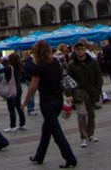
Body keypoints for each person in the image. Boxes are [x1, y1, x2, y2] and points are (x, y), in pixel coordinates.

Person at [20, 40, 77, 168]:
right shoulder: (55, 62)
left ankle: (70, 158)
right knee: (46, 129)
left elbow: (33, 87)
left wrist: (25, 102)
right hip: (58, 100)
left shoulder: (39, 67)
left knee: (56, 132)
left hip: (47, 103)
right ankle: (39, 156)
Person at [66, 41, 102, 148]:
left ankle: (90, 134)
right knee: (81, 115)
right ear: (75, 51)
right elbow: (68, 80)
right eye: (77, 49)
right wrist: (69, 94)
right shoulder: (71, 64)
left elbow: (98, 75)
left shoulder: (92, 62)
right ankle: (83, 137)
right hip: (78, 92)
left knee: (91, 114)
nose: (80, 51)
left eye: (81, 49)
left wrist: (98, 88)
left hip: (91, 91)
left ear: (85, 49)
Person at [0, 52, 26, 133]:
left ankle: (13, 126)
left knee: (11, 108)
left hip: (12, 90)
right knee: (18, 107)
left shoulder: (9, 68)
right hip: (19, 89)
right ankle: (22, 124)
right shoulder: (20, 66)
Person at [21, 50, 37, 116]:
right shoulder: (29, 61)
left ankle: (31, 108)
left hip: (33, 78)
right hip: (30, 79)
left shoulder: (35, 60)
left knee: (32, 94)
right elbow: (28, 70)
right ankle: (30, 109)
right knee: (31, 94)